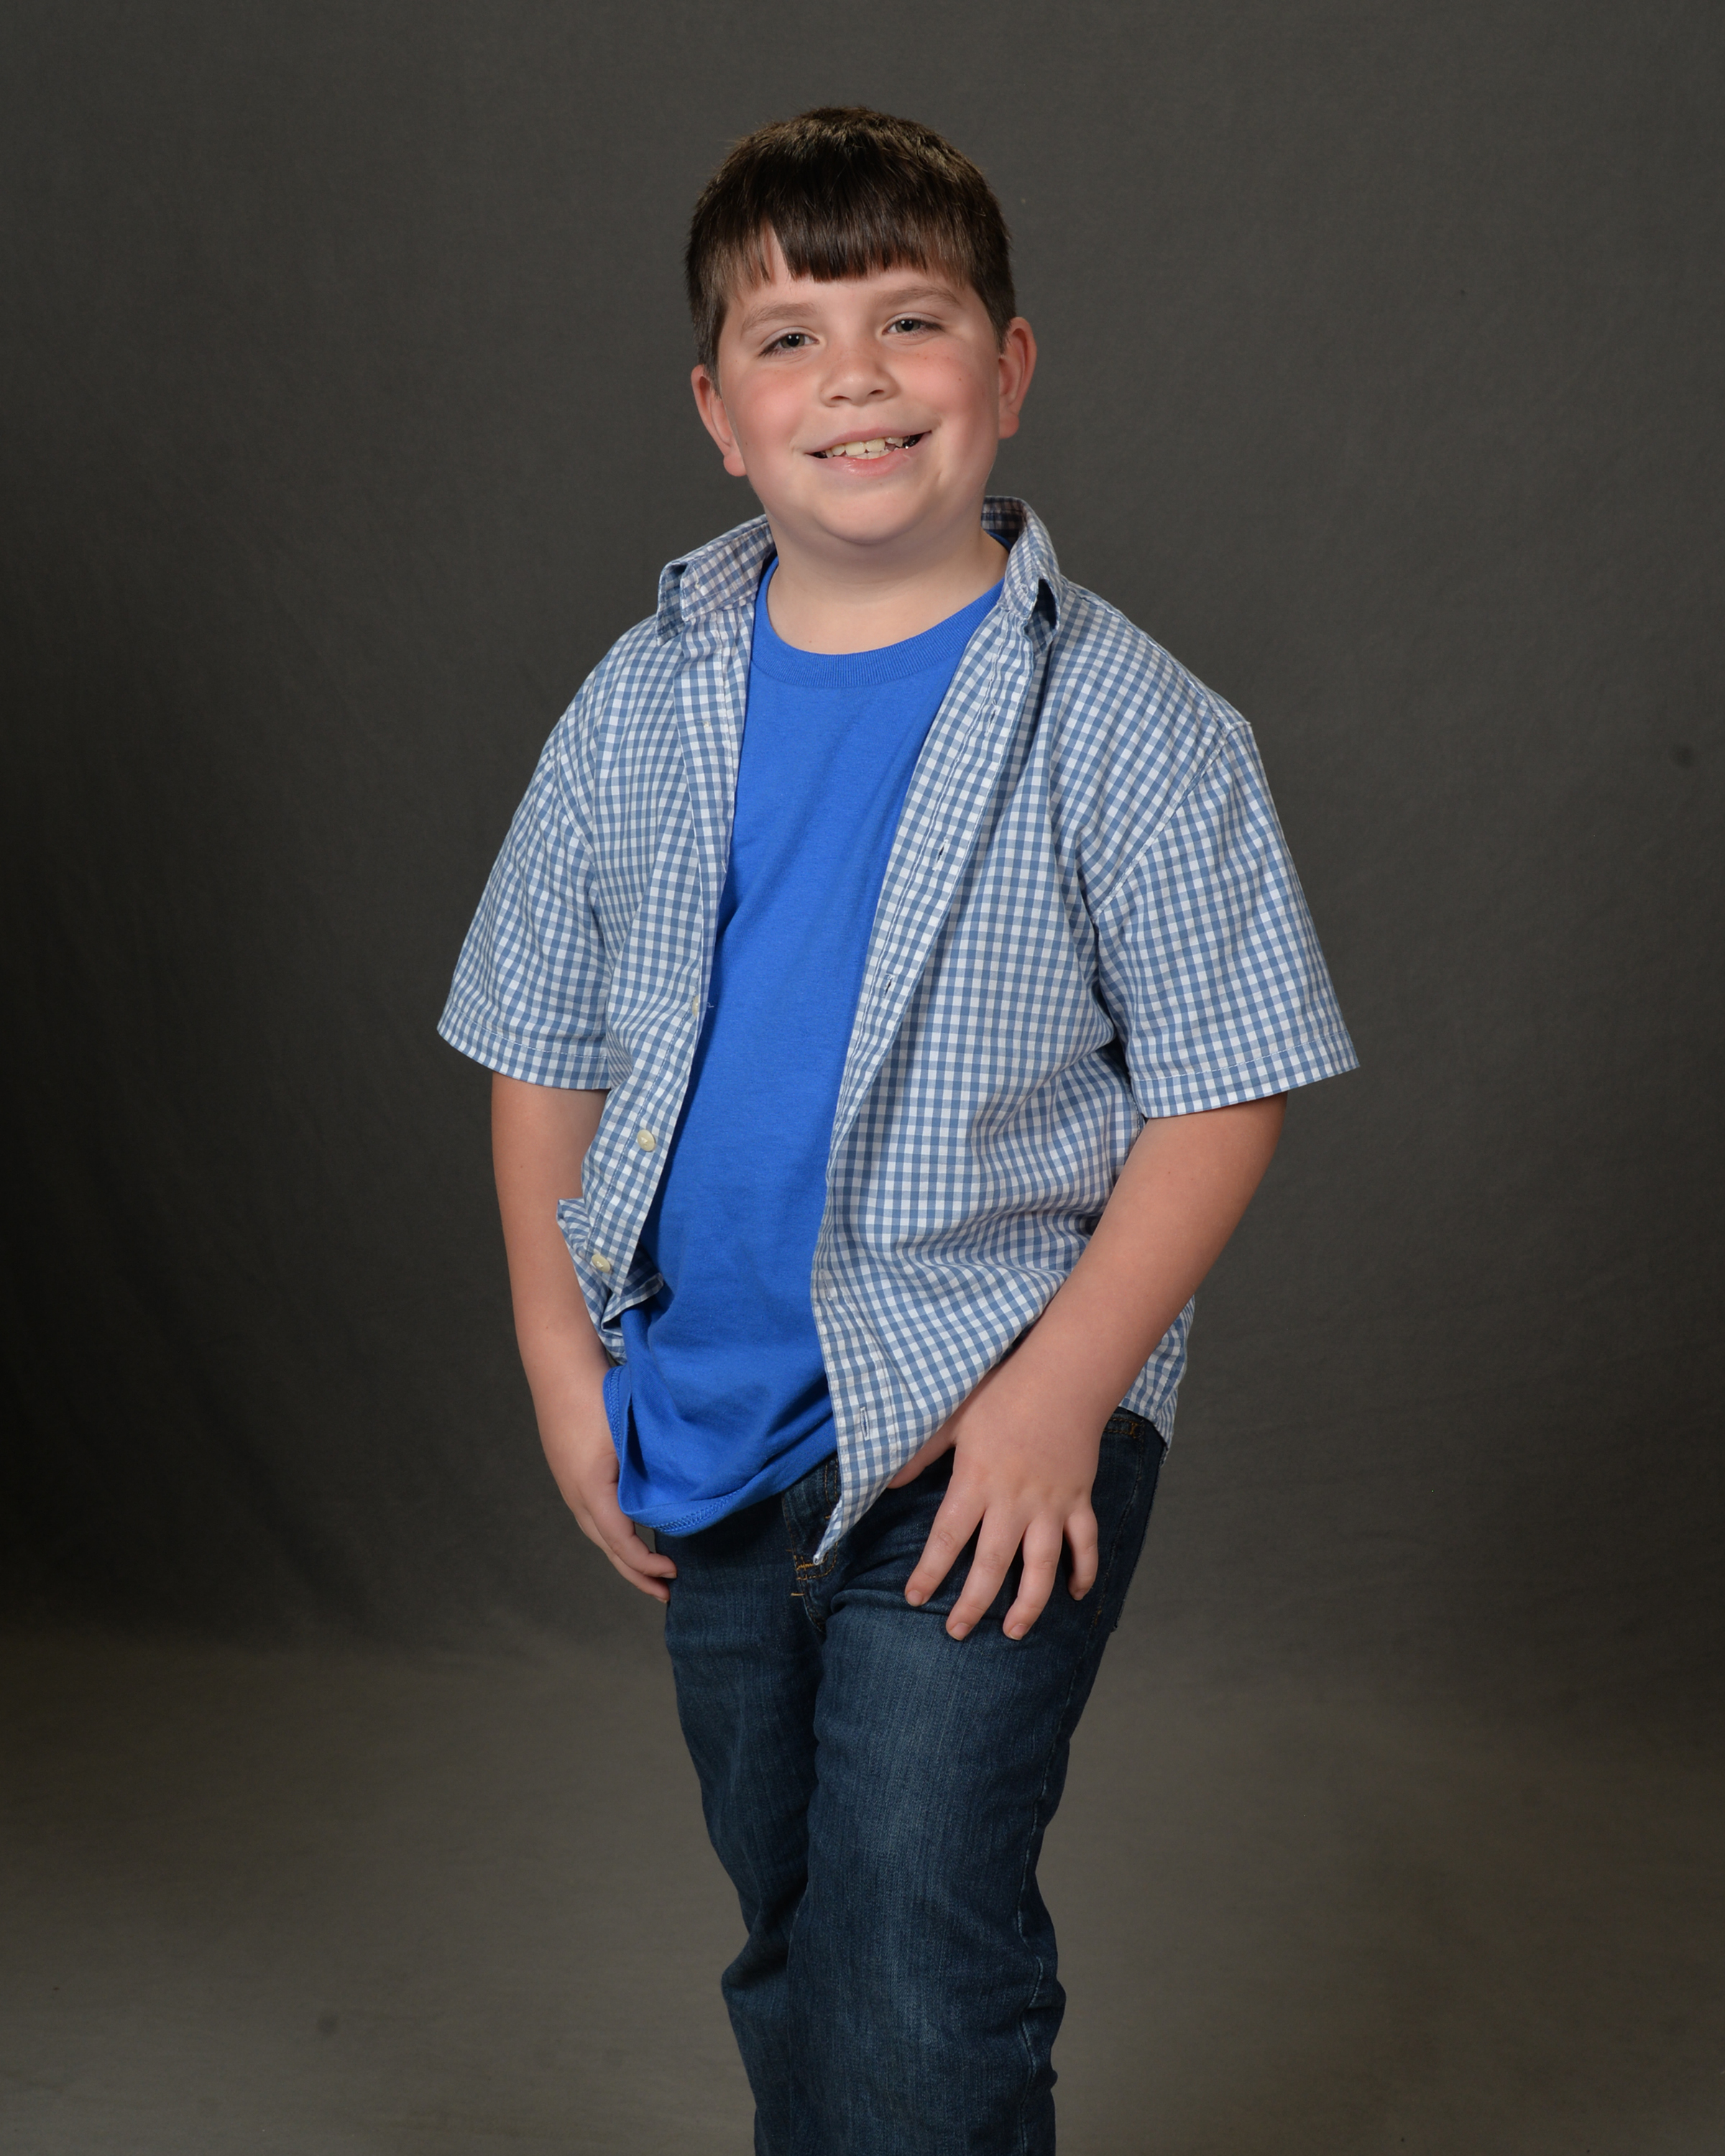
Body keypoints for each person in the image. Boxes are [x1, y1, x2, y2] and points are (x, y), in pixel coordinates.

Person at [439, 106, 1356, 2156]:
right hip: (713, 1421)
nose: (854, 376)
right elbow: (537, 1040)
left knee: (916, 1928)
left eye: (911, 321)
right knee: (793, 1912)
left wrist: (1061, 1397)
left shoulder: (1134, 725)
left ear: (1007, 368)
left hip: (985, 1428)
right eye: (790, 337)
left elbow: (1226, 1084)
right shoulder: (635, 706)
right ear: (719, 412)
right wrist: (561, 1363)